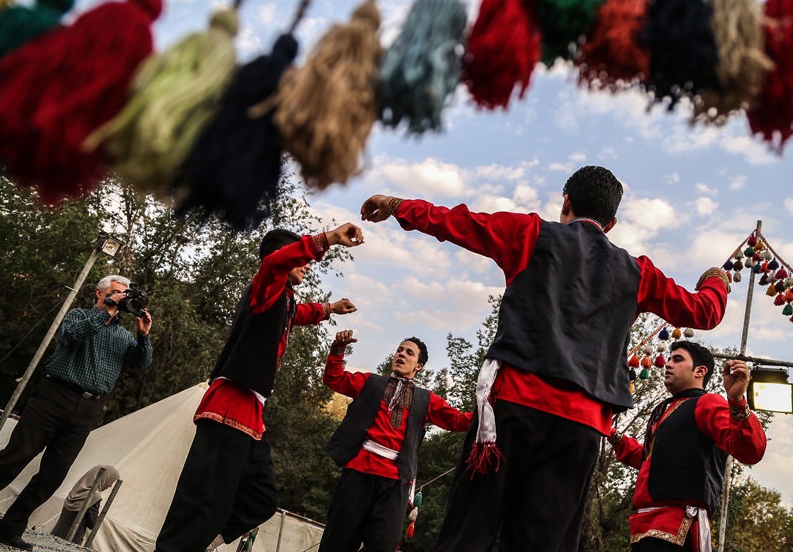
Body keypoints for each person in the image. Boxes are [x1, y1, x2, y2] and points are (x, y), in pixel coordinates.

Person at [359, 165, 731, 552]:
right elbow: (704, 312)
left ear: (565, 201)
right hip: (582, 429)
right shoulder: (638, 272)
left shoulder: (531, 232)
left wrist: (397, 204)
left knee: (469, 534)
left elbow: (458, 222)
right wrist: (716, 280)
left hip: (512, 412)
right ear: (612, 222)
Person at [155, 223, 363, 552]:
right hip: (229, 407)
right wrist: (328, 239)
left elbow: (299, 312)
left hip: (252, 415)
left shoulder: (283, 302)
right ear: (282, 258)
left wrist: (330, 309)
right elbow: (274, 265)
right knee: (202, 503)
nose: (307, 265)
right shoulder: (265, 287)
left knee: (261, 498)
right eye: (301, 259)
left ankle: (206, 542)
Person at [0, 275, 153, 550]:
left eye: (126, 294)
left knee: (54, 473)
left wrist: (143, 336)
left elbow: (141, 364)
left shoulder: (123, 336)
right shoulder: (78, 316)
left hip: (88, 408)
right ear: (99, 294)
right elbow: (70, 336)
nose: (123, 298)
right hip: (55, 397)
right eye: (116, 292)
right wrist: (106, 312)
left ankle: (9, 529)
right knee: (13, 458)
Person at [319, 330, 472, 552]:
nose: (401, 354)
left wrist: (493, 410)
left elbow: (458, 420)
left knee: (385, 545)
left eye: (409, 353)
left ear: (418, 366)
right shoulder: (370, 382)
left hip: (395, 481)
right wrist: (338, 350)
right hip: (358, 473)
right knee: (339, 541)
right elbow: (334, 379)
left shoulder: (426, 399)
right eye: (399, 350)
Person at [609, 340, 767, 552]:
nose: (668, 364)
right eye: (669, 358)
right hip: (643, 525)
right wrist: (611, 433)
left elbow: (751, 450)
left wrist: (737, 400)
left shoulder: (708, 402)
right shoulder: (663, 410)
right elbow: (651, 462)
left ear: (700, 371)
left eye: (678, 359)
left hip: (681, 524)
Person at [50, 464, 120, 544]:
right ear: (105, 478)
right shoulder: (94, 496)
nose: (110, 485)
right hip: (71, 541)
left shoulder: (75, 491)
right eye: (111, 481)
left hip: (55, 536)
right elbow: (92, 524)